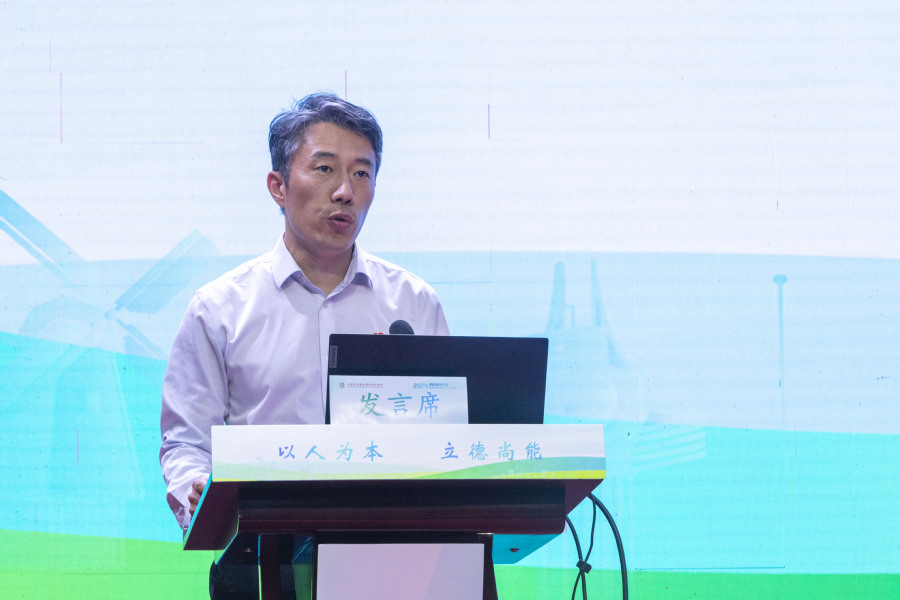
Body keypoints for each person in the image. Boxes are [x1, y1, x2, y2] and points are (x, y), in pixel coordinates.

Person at [159, 92, 449, 596]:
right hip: (259, 559)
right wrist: (198, 493)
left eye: (362, 173)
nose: (345, 192)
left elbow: (450, 435)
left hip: (393, 558)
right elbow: (187, 442)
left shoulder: (413, 304)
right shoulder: (219, 308)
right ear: (278, 186)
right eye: (325, 169)